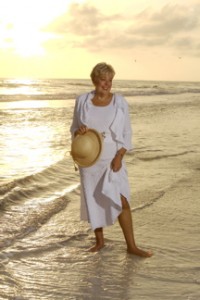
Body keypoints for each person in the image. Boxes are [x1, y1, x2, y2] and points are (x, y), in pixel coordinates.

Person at [70, 62, 152, 257]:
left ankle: (131, 246)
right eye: (103, 80)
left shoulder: (120, 102)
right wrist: (79, 132)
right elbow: (74, 129)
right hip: (90, 159)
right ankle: (100, 242)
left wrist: (120, 156)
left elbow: (127, 132)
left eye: (110, 80)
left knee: (122, 199)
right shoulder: (82, 100)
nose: (107, 84)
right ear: (95, 80)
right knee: (93, 197)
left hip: (112, 158)